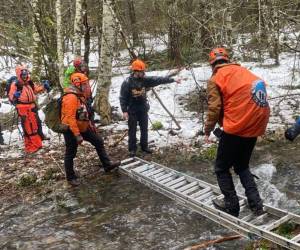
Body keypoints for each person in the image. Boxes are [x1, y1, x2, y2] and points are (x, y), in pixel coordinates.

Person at [204, 48, 270, 217]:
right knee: (242, 165)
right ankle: (257, 206)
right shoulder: (244, 72)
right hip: (255, 124)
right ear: (227, 59)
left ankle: (231, 206)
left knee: (221, 168)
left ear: (213, 64)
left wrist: (208, 129)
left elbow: (214, 107)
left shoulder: (216, 78)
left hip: (237, 126)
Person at [61, 72, 120, 186]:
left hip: (82, 126)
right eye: (84, 84)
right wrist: (77, 135)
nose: (86, 86)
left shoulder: (80, 95)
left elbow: (84, 113)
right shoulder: (71, 97)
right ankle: (70, 177)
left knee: (98, 141)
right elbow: (70, 118)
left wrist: (90, 126)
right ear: (77, 84)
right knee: (70, 152)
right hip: (70, 129)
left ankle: (107, 164)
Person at [120, 59, 181, 157]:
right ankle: (132, 149)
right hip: (132, 110)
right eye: (141, 71)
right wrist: (124, 111)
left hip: (143, 108)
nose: (143, 73)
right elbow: (122, 97)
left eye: (143, 71)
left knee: (144, 128)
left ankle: (144, 146)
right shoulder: (127, 82)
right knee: (132, 130)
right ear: (135, 71)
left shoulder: (145, 80)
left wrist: (173, 80)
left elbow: (158, 80)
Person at [8, 65, 50, 153]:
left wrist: (43, 87)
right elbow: (11, 97)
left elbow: (35, 90)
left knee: (36, 124)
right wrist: (15, 96)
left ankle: (37, 141)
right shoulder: (15, 84)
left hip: (32, 106)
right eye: (23, 74)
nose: (25, 76)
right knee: (28, 127)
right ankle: (31, 145)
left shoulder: (29, 82)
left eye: (26, 74)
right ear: (19, 74)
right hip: (22, 108)